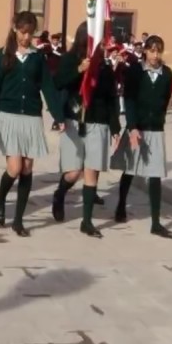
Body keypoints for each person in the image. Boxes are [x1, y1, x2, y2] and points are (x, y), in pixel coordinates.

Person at [0, 11, 65, 237]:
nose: (26, 37)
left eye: (30, 33)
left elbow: (47, 88)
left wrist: (58, 116)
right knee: (15, 168)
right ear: (14, 29)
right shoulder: (2, 55)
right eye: (23, 32)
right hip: (8, 116)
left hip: (31, 117)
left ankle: (18, 220)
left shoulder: (37, 58)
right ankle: (0, 201)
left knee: (28, 168)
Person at [52, 23, 121, 238]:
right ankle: (60, 194)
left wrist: (115, 126)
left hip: (98, 122)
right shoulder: (69, 60)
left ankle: (87, 222)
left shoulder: (104, 67)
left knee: (91, 171)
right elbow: (58, 83)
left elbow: (112, 99)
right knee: (74, 173)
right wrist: (78, 70)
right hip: (74, 120)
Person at [111, 34, 172, 238]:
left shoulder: (167, 74)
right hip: (136, 127)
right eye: (152, 51)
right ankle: (121, 205)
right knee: (130, 169)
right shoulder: (135, 72)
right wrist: (132, 126)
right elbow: (129, 100)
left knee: (155, 174)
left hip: (155, 128)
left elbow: (165, 99)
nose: (155, 55)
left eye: (158, 51)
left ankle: (156, 222)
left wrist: (158, 118)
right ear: (145, 51)